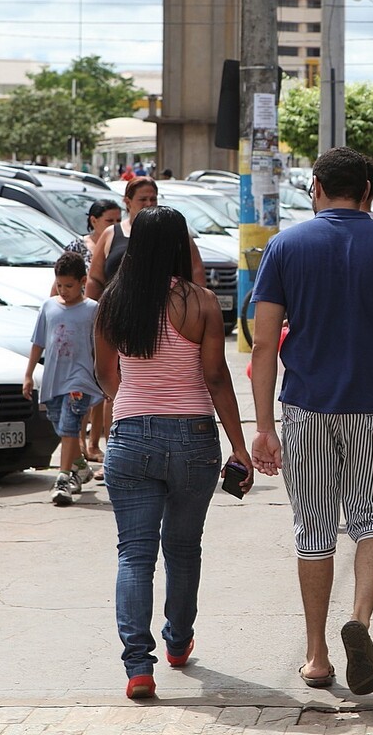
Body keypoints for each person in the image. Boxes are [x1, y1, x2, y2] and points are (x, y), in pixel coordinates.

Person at [248, 146, 373, 696]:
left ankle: (315, 655)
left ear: (315, 187)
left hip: (306, 408)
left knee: (313, 526)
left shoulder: (285, 245)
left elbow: (264, 345)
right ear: (370, 192)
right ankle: (358, 617)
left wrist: (264, 426)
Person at [93, 205, 251, 701]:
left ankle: (139, 666)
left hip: (132, 436)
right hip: (193, 438)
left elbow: (107, 378)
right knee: (183, 549)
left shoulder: (112, 304)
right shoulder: (200, 302)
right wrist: (240, 446)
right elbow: (216, 377)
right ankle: (178, 641)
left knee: (134, 555)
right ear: (181, 245)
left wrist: (132, 402)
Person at [22, 252, 102, 506]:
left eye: (69, 285)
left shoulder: (92, 310)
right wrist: (28, 374)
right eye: (60, 285)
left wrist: (104, 378)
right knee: (60, 425)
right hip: (53, 379)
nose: (64, 291)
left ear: (82, 281)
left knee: (69, 427)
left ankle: (63, 478)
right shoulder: (49, 307)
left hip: (80, 379)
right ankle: (80, 467)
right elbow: (38, 342)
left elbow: (99, 348)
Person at [65, 198, 123, 465]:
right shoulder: (78, 247)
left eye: (117, 220)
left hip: (110, 321)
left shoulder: (118, 244)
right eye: (109, 220)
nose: (114, 225)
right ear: (94, 221)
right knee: (81, 385)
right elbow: (61, 282)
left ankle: (94, 444)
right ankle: (76, 442)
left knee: (103, 386)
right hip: (86, 321)